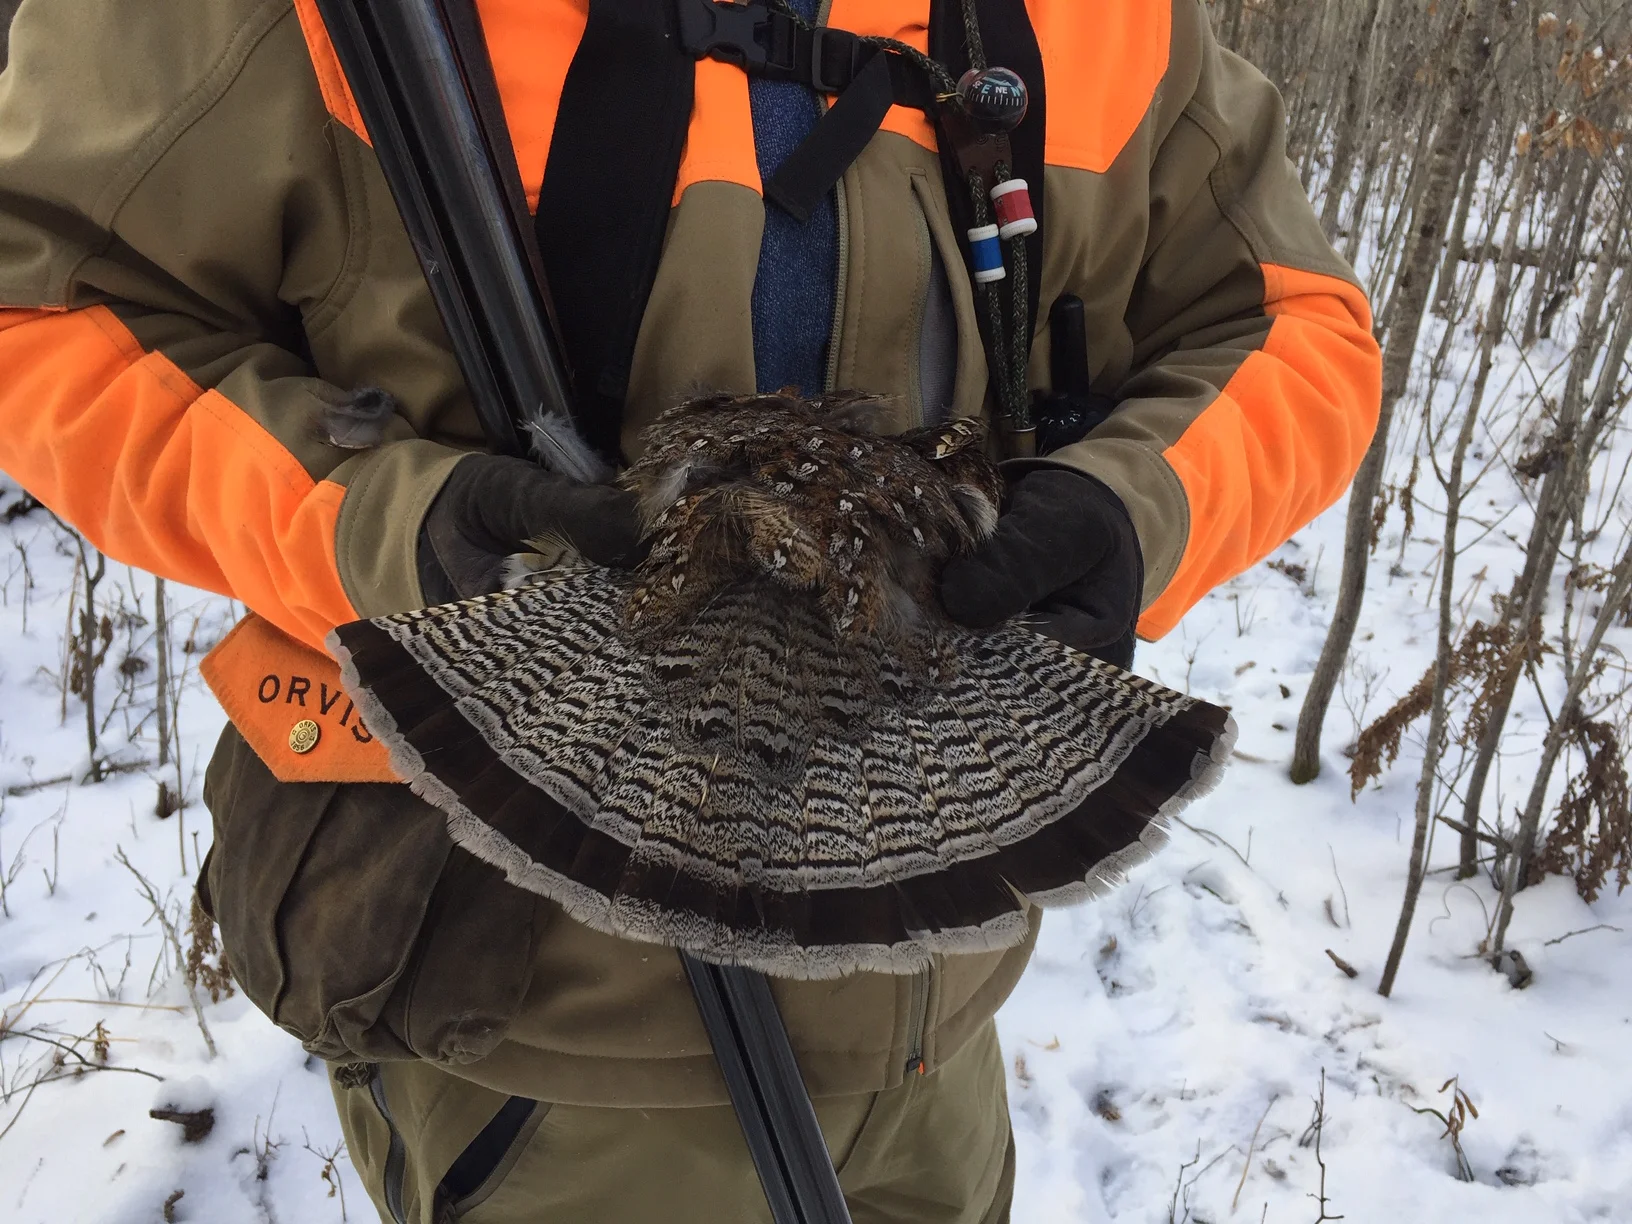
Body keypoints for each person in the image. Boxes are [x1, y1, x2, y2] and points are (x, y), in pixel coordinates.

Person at [0, 1, 1381, 1220]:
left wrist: (1136, 510)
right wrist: (380, 517)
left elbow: (1290, 321)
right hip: (540, 1034)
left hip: (938, 1015)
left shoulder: (1100, 18)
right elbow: (38, 307)